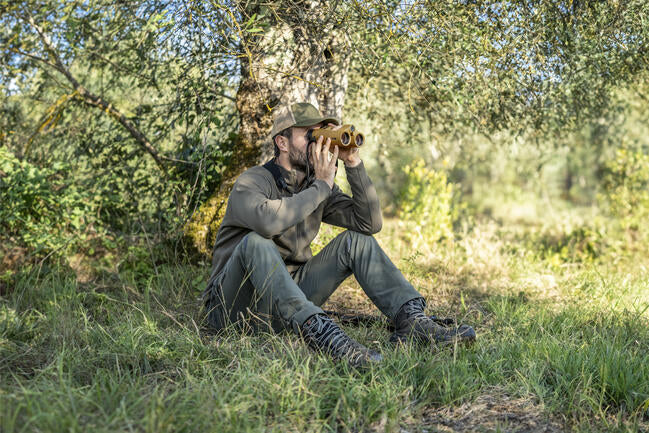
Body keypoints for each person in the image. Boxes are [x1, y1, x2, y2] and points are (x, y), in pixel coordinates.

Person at [203, 102, 475, 367]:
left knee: (357, 241)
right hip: (232, 308)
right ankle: (323, 333)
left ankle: (413, 322)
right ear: (282, 143)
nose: (318, 143)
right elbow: (268, 223)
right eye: (310, 135)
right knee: (256, 241)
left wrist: (353, 163)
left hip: (286, 304)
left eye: (321, 135)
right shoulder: (252, 181)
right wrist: (321, 185)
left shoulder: (316, 187)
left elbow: (368, 223)